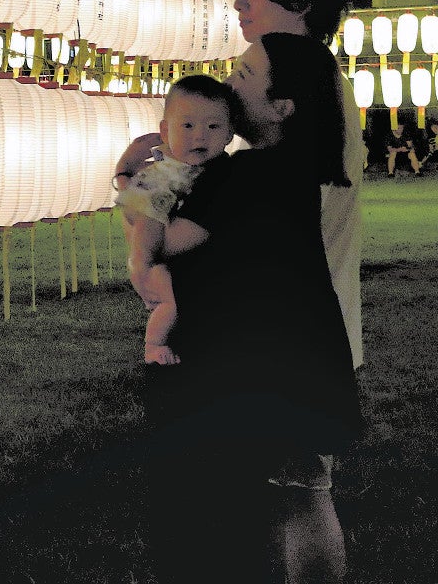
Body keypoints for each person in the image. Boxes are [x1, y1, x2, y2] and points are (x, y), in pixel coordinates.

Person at [117, 33, 363, 584]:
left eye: (244, 78)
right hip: (295, 362)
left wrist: (132, 181)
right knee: (302, 494)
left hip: (257, 370)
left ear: (282, 107)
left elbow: (162, 244)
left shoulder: (243, 176)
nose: (227, 86)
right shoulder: (286, 169)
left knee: (265, 503)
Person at [232, 0, 365, 371]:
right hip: (310, 339)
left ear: (301, 1)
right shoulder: (316, 78)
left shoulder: (308, 90)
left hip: (290, 346)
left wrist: (143, 189)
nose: (239, 2)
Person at [115, 74, 235, 365]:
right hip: (151, 263)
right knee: (168, 300)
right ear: (166, 130)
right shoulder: (166, 168)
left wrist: (124, 175)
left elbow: (143, 217)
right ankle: (153, 345)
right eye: (188, 125)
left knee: (170, 301)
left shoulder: (220, 175)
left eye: (213, 126)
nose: (200, 136)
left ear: (230, 133)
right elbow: (139, 213)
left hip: (171, 270)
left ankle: (154, 344)